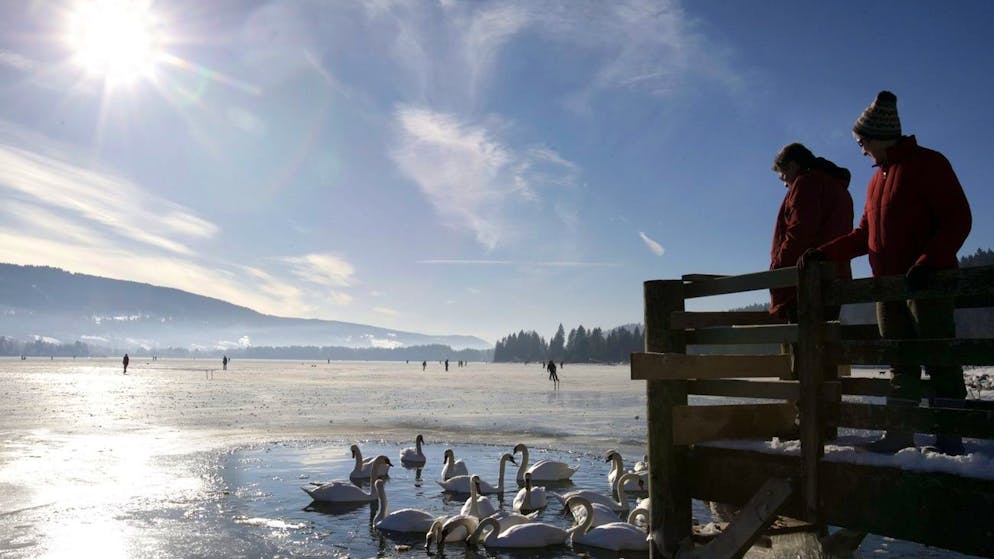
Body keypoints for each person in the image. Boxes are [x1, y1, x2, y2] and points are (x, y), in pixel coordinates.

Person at [801, 90, 972, 455]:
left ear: (879, 137)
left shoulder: (929, 164)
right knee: (900, 362)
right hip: (887, 288)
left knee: (940, 359)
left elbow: (958, 219)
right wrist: (823, 253)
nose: (861, 150)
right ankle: (900, 434)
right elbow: (865, 235)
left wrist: (929, 261)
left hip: (927, 284)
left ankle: (952, 437)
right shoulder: (876, 181)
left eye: (863, 142)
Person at [769, 143, 854, 322]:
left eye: (783, 176)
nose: (785, 184)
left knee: (806, 343)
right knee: (826, 341)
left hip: (805, 280)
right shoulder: (838, 189)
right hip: (835, 274)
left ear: (792, 165)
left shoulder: (806, 184)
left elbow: (799, 235)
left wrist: (777, 272)